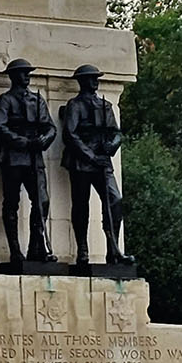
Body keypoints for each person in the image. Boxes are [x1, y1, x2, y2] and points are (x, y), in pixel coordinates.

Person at [60, 63, 134, 266]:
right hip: (82, 162)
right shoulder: (75, 106)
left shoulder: (105, 105)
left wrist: (110, 147)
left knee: (114, 200)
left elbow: (116, 133)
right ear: (83, 82)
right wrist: (91, 156)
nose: (95, 81)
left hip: (103, 161)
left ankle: (114, 249)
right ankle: (82, 249)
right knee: (81, 205)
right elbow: (70, 134)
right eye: (92, 78)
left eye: (96, 78)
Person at [0, 58, 58, 264]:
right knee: (12, 203)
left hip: (34, 157)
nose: (27, 75)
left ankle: (36, 246)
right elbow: (0, 127)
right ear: (13, 76)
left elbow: (50, 127)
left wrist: (44, 139)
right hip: (14, 157)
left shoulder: (37, 100)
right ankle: (15, 250)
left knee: (42, 201)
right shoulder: (6, 100)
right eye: (23, 72)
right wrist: (22, 142)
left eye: (28, 72)